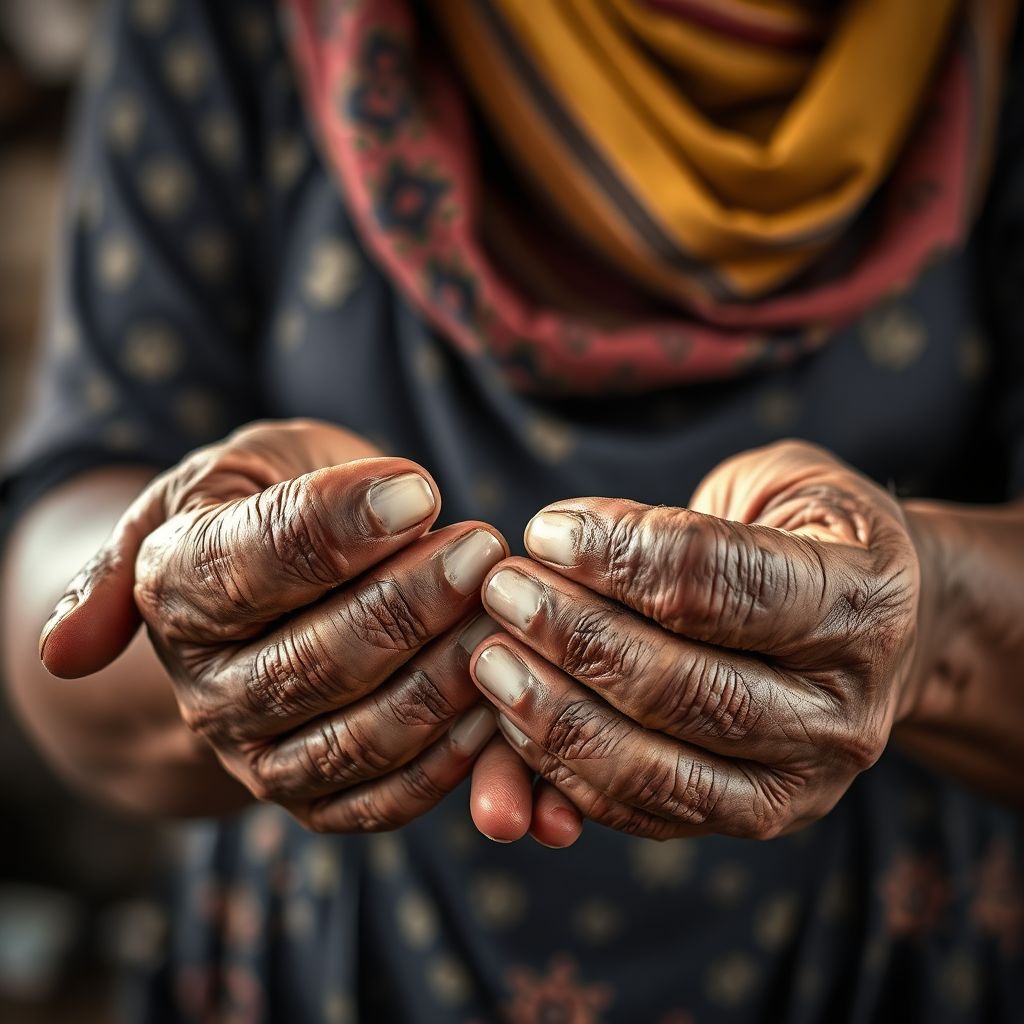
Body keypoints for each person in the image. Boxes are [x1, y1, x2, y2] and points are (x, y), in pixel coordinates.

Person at [2, 0, 1023, 1020]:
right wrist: (204, 594)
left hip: (888, 958)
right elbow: (57, 570)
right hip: (326, 962)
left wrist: (931, 616)